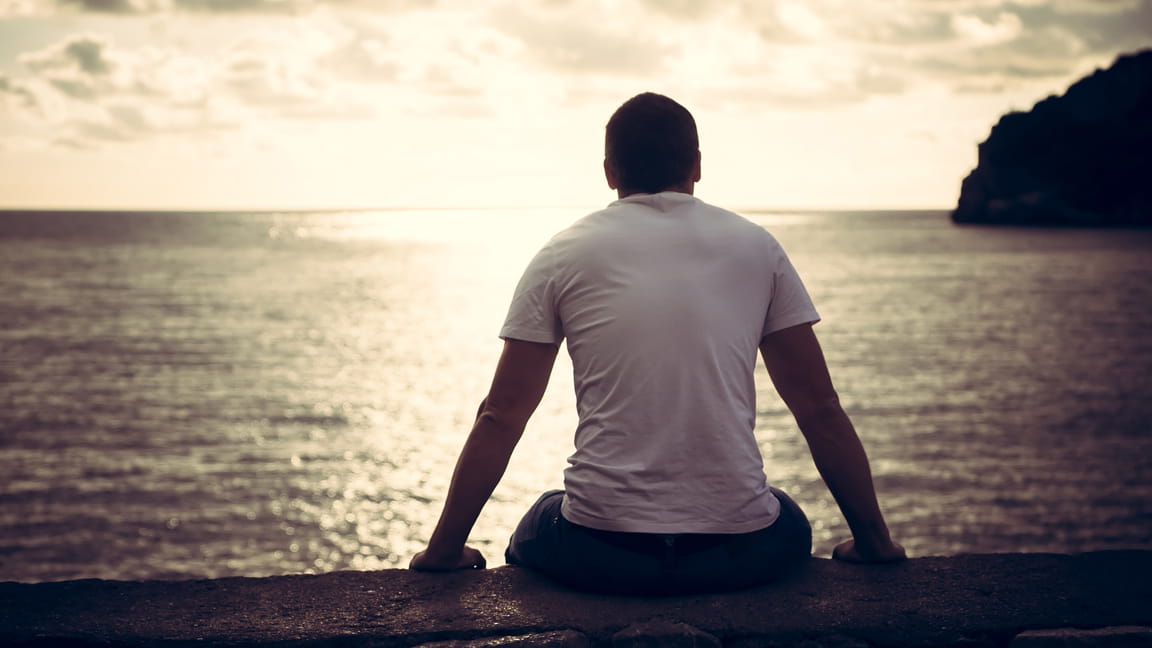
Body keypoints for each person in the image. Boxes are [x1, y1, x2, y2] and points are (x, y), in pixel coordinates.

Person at [409, 92, 905, 594]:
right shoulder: (758, 247)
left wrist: (444, 551)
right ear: (696, 165)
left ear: (609, 171)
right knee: (786, 512)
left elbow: (501, 414)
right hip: (738, 554)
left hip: (599, 552)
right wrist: (875, 544)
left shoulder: (561, 252)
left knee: (542, 514)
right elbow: (819, 408)